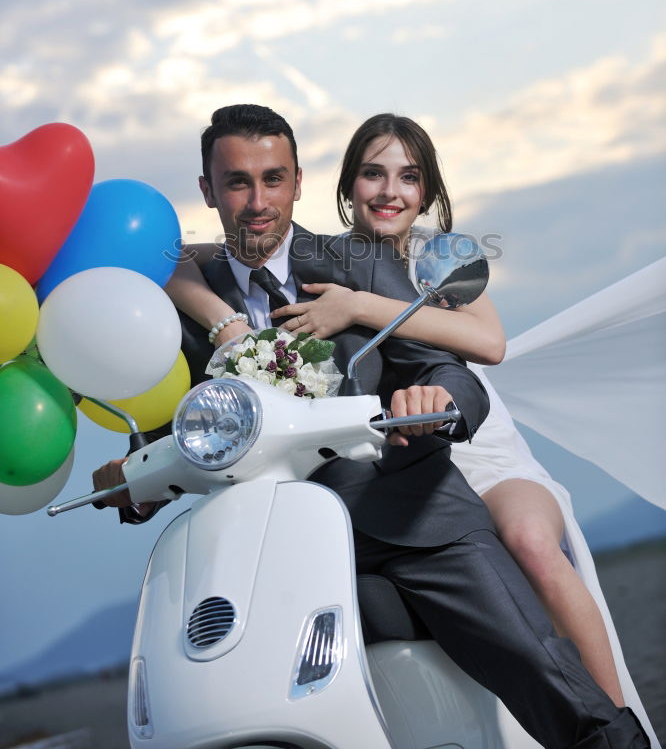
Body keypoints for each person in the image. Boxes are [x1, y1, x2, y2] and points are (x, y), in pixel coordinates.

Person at [93, 104, 650, 748]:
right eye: (237, 182)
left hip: (413, 513)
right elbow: (180, 424)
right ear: (208, 191)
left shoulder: (358, 262)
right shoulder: (185, 298)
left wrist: (432, 402)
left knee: (546, 678)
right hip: (272, 540)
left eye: (273, 179)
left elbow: (450, 366)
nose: (256, 200)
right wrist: (129, 477)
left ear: (299, 182)